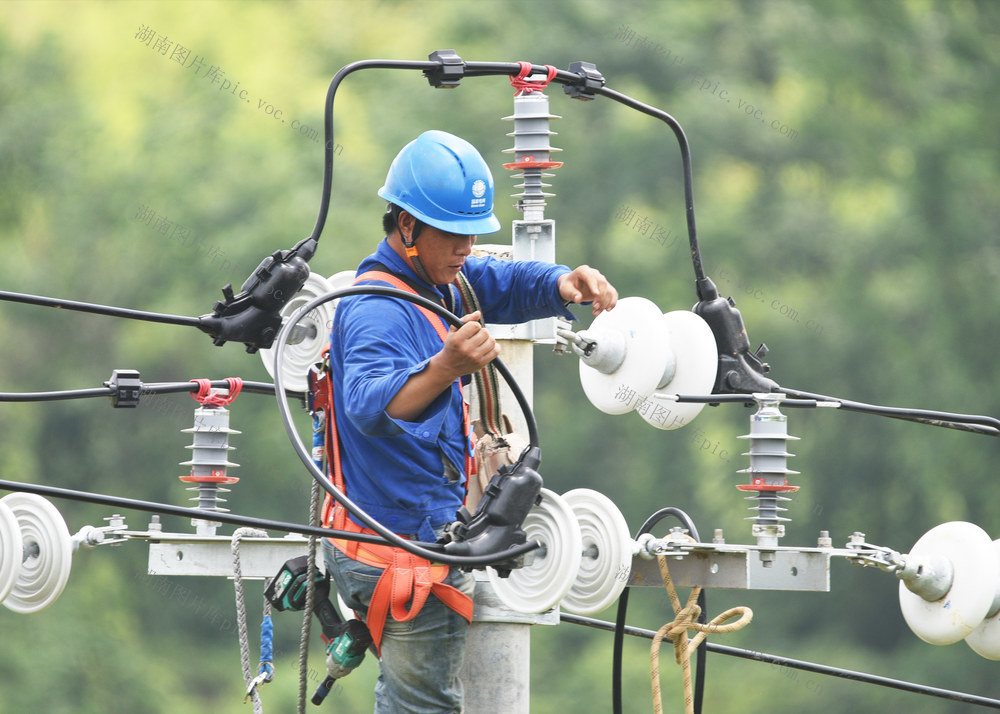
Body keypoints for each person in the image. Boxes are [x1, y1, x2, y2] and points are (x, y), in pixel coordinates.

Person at [321, 129, 617, 713]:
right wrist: (445, 367)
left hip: (403, 536)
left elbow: (498, 282)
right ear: (407, 227)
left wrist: (561, 283)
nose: (467, 246)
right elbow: (368, 406)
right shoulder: (378, 310)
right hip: (397, 549)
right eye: (454, 234)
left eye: (471, 232)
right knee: (423, 708)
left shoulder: (436, 281)